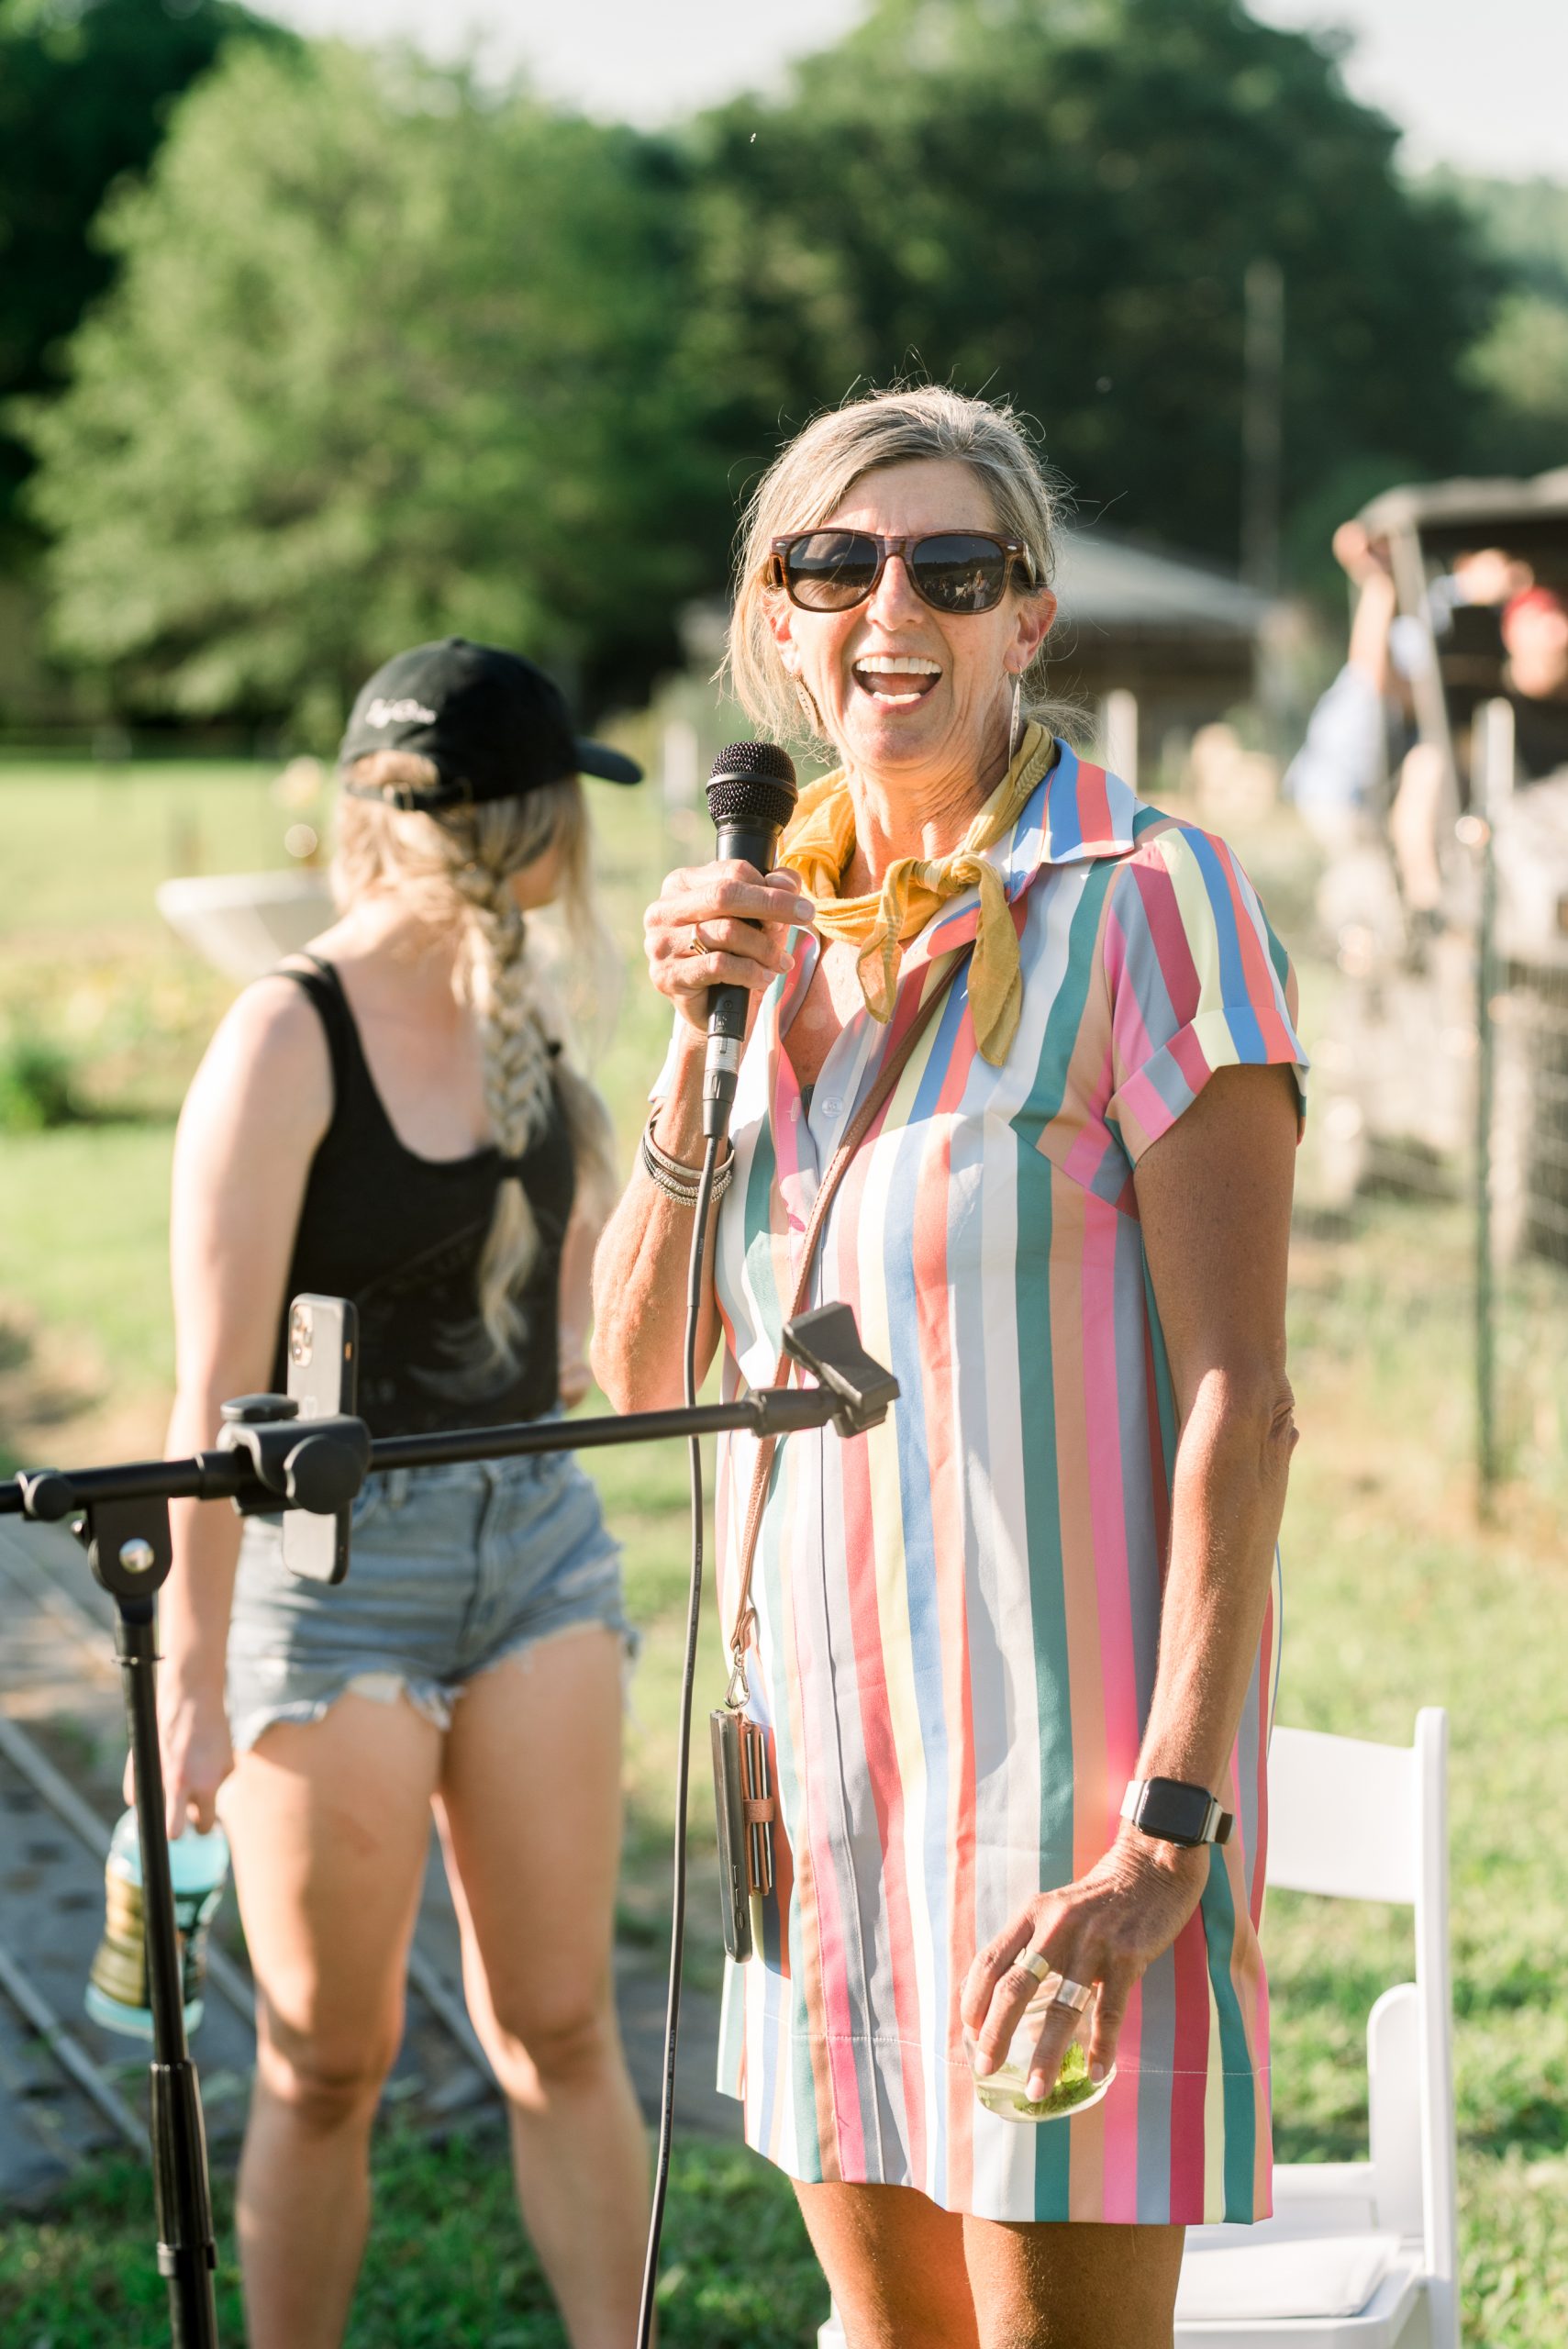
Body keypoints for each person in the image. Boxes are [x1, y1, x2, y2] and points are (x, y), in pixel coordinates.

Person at [593, 386, 1307, 2349]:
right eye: (833, 563)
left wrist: (1165, 1830)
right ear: (777, 614)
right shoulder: (772, 936)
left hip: (1056, 1802)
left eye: (952, 568)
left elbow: (1242, 1399)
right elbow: (642, 1373)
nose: (888, 607)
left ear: (1028, 619)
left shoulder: (1153, 898)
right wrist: (694, 1051)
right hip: (816, 1784)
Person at [143, 639, 650, 2349]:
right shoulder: (283, 1036)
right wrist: (194, 1676)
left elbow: (581, 1312)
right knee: (326, 2063)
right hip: (331, 1578)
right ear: (538, 825)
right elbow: (213, 1395)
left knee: (561, 2031)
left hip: (538, 1550)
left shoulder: (535, 1010)